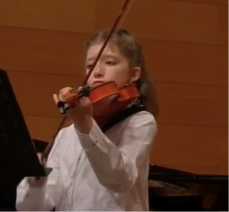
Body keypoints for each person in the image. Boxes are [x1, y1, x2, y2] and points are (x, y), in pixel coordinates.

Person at [16, 28, 159, 212]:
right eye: (90, 65)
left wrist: (86, 125)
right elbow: (33, 209)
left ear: (133, 74)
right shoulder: (66, 134)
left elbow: (120, 180)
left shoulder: (139, 122)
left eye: (110, 62)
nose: (97, 72)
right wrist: (35, 177)